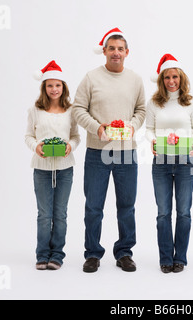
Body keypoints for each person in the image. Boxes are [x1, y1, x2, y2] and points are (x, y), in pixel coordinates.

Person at [72, 28, 146, 273]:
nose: (116, 52)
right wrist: (97, 128)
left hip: (126, 151)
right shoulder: (91, 78)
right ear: (104, 51)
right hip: (97, 151)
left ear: (127, 52)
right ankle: (92, 253)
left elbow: (141, 110)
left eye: (120, 49)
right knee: (94, 205)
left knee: (127, 205)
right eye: (111, 48)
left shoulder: (135, 80)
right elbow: (78, 109)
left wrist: (133, 127)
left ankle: (124, 252)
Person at [146, 54, 193, 273]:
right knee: (163, 212)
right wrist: (152, 141)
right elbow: (149, 129)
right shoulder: (154, 103)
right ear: (161, 80)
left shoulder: (190, 103)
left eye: (175, 77)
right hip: (161, 161)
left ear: (181, 78)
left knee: (184, 212)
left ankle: (180, 258)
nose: (171, 81)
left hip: (185, 161)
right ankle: (165, 258)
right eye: (167, 77)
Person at [25, 60, 81, 270]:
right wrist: (36, 146)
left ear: (63, 87)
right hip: (41, 167)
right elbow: (28, 135)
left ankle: (57, 255)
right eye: (50, 85)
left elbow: (75, 136)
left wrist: (70, 146)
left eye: (58, 85)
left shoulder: (71, 110)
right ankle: (42, 254)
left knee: (60, 213)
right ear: (44, 88)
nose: (54, 89)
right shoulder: (35, 110)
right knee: (44, 213)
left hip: (65, 167)